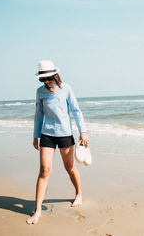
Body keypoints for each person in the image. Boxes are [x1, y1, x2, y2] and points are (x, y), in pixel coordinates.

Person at [26, 60, 89, 225]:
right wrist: (35, 136)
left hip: (65, 135)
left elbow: (76, 110)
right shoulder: (40, 92)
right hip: (46, 134)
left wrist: (83, 131)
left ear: (55, 75)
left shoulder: (66, 89)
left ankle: (79, 193)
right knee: (44, 171)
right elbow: (39, 115)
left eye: (49, 78)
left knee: (70, 168)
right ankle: (38, 210)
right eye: (43, 79)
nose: (47, 82)